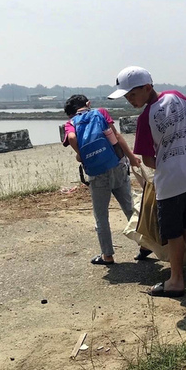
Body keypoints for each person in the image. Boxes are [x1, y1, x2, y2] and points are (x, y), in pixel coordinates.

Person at [108, 66, 186, 297]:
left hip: (172, 182)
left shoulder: (146, 118)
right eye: (127, 97)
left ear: (147, 88)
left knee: (172, 231)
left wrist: (170, 162)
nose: (130, 101)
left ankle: (176, 280)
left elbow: (148, 159)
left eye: (132, 95)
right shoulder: (177, 96)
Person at [62, 95, 141, 265]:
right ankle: (145, 245)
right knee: (129, 207)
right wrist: (132, 157)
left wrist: (82, 155)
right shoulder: (101, 112)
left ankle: (107, 255)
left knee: (101, 215)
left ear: (70, 114)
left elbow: (72, 138)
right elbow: (117, 137)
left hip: (97, 174)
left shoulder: (71, 124)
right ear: (88, 104)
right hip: (117, 165)